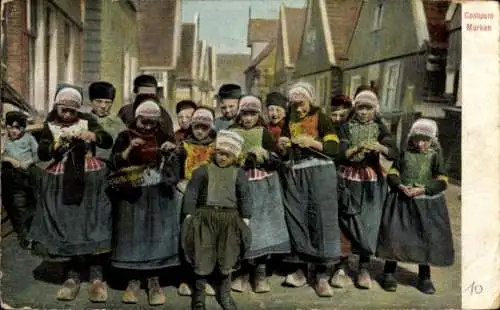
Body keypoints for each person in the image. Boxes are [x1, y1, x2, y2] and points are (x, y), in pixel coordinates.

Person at [29, 84, 113, 302]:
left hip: (89, 177)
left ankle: (96, 274)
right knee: (69, 222)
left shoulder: (87, 120)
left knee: (93, 221)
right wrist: (56, 147)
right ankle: (73, 273)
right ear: (57, 107)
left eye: (72, 111)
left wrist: (92, 135)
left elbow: (107, 139)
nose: (67, 115)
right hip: (63, 179)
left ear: (78, 110)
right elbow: (42, 150)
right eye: (63, 110)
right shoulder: (50, 124)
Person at [107, 96, 181, 306]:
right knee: (134, 235)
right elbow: (113, 164)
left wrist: (170, 154)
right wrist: (130, 149)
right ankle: (133, 280)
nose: (148, 126)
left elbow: (174, 167)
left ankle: (154, 280)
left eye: (152, 122)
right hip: (132, 195)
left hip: (157, 194)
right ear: (136, 118)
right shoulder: (124, 136)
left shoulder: (164, 135)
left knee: (156, 235)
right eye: (143, 122)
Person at [277, 82, 341, 297]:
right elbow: (285, 154)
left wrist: (313, 143)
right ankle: (301, 270)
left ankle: (322, 275)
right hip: (296, 175)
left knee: (321, 221)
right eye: (294, 105)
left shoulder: (321, 118)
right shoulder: (290, 120)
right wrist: (284, 146)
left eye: (301, 104)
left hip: (320, 174)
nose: (298, 109)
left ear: (310, 101)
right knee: (297, 218)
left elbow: (334, 149)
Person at [377, 118, 454, 294]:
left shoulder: (434, 156)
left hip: (426, 204)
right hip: (401, 201)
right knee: (394, 235)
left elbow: (442, 180)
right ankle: (388, 273)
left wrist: (425, 189)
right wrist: (398, 185)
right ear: (411, 138)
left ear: (432, 140)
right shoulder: (404, 154)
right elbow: (394, 172)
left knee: (424, 238)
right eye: (417, 139)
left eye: (425, 140)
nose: (421, 144)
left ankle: (424, 277)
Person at [181, 129, 251, 310]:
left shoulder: (239, 174)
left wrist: (246, 217)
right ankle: (199, 296)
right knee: (202, 255)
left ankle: (225, 294)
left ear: (235, 157)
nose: (222, 158)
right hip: (205, 218)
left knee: (227, 257)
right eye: (219, 153)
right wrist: (189, 214)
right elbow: (191, 193)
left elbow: (244, 196)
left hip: (229, 220)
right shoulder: (202, 171)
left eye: (227, 155)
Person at [228, 95, 290, 294]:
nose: (248, 119)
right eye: (245, 114)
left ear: (258, 115)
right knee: (243, 227)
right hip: (240, 184)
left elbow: (276, 161)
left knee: (262, 227)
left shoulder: (263, 133)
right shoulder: (231, 131)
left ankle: (260, 273)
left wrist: (265, 156)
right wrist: (240, 157)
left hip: (263, 185)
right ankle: (243, 272)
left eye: (252, 114)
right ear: (239, 114)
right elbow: (223, 157)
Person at [337, 90, 398, 290]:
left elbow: (394, 152)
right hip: (349, 178)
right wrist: (356, 149)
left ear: (375, 110)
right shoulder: (346, 127)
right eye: (360, 108)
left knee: (369, 222)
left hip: (372, 180)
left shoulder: (381, 128)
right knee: (345, 220)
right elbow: (341, 154)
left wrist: (379, 148)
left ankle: (364, 267)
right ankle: (342, 266)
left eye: (368, 108)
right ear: (355, 108)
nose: (363, 112)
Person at [174, 106, 217, 297]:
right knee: (188, 237)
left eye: (204, 127)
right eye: (196, 127)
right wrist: (179, 182)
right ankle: (185, 279)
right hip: (187, 195)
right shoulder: (183, 146)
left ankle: (204, 279)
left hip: (210, 196)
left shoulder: (217, 146)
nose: (200, 131)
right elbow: (173, 172)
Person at [1, 111, 38, 249]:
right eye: (11, 127)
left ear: (24, 128)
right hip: (12, 175)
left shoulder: (29, 138)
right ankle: (24, 236)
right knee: (18, 205)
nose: (14, 131)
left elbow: (37, 155)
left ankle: (34, 232)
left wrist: (28, 162)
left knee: (33, 203)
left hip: (28, 174)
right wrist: (9, 159)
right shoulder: (5, 139)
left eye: (18, 128)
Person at [328, 94, 354, 288]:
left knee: (345, 221)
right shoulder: (326, 129)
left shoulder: (353, 129)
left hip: (349, 179)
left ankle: (342, 266)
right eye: (334, 115)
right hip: (328, 179)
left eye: (341, 114)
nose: (337, 119)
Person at [118, 74, 175, 141]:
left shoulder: (163, 114)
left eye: (152, 96)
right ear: (135, 94)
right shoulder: (125, 112)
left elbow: (170, 139)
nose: (148, 99)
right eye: (143, 96)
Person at [88, 81, 127, 159]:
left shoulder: (118, 124)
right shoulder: (83, 121)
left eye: (108, 102)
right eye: (99, 101)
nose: (103, 106)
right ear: (91, 101)